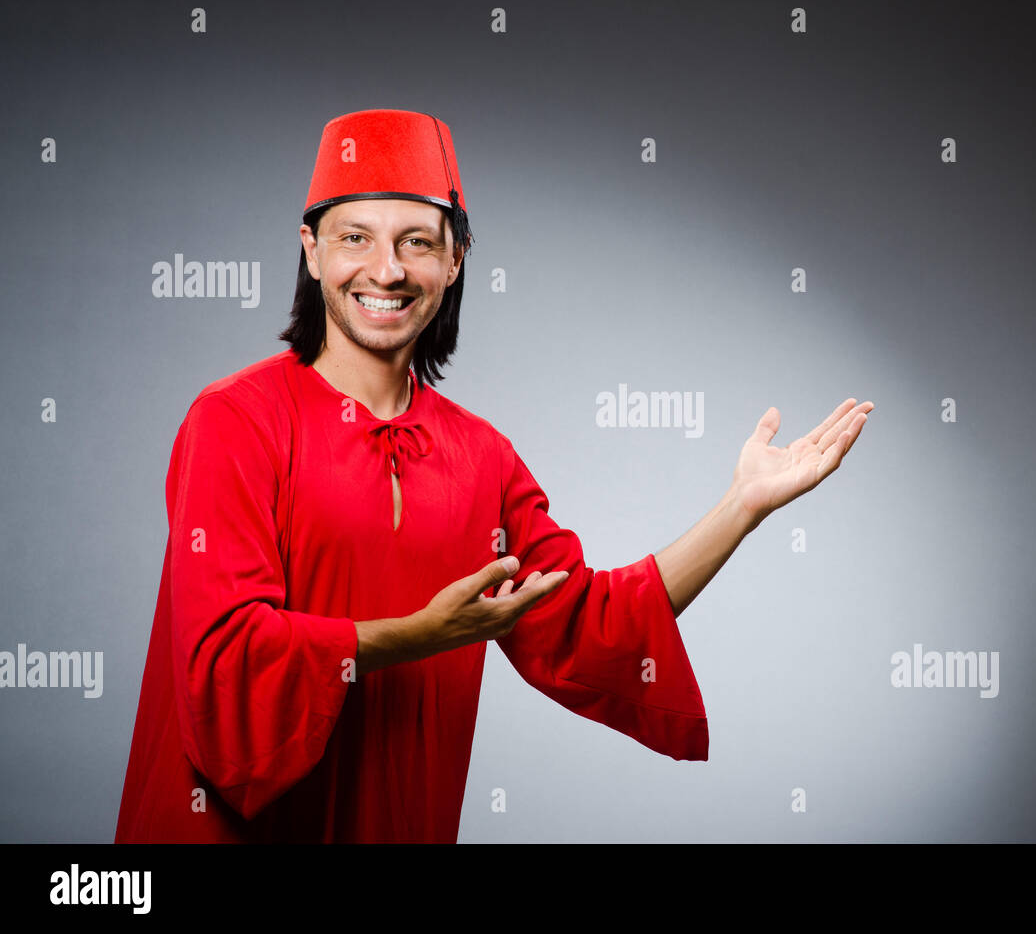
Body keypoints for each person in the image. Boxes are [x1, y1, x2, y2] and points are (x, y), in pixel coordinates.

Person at [114, 109, 873, 843]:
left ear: (455, 260)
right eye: (356, 238)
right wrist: (414, 637)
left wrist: (741, 506)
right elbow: (223, 660)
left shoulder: (481, 457)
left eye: (416, 241)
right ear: (312, 252)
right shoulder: (235, 421)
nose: (386, 269)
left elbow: (587, 620)